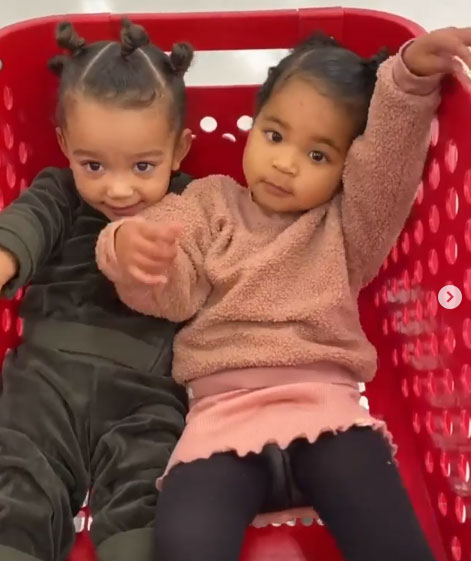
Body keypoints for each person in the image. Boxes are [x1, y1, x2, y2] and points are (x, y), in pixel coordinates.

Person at [97, 27, 471, 561]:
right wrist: (131, 252)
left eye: (317, 155)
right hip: (221, 421)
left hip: (328, 414)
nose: (286, 163)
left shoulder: (349, 226)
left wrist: (409, 79)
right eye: (274, 135)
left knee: (392, 539)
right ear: (254, 123)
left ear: (346, 166)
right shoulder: (208, 203)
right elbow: (174, 294)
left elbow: (389, 160)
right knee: (185, 541)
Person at [0, 18, 194, 561]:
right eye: (93, 164)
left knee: (148, 487)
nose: (118, 188)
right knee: (16, 482)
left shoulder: (193, 205)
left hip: (145, 389)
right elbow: (28, 222)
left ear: (179, 149)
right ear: (64, 145)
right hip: (44, 377)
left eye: (143, 165)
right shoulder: (61, 192)